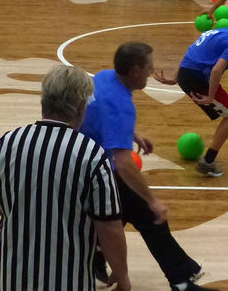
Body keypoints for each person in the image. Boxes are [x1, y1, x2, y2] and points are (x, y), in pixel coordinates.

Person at [0, 65, 131, 291]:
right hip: (71, 282)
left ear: (44, 101)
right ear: (80, 107)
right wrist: (122, 275)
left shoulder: (4, 146)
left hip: (12, 281)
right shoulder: (93, 155)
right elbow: (109, 227)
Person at [80, 43, 216, 291]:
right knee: (150, 215)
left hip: (83, 161)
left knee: (120, 210)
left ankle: (96, 253)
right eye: (148, 68)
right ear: (134, 71)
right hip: (96, 172)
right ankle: (181, 281)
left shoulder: (104, 76)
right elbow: (123, 163)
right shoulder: (121, 104)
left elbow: (100, 115)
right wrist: (153, 200)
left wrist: (131, 133)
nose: (151, 72)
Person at [155, 10, 228, 177]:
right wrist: (210, 96)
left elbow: (192, 51)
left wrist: (177, 76)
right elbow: (217, 70)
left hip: (188, 73)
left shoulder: (222, 31)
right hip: (197, 78)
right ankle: (208, 161)